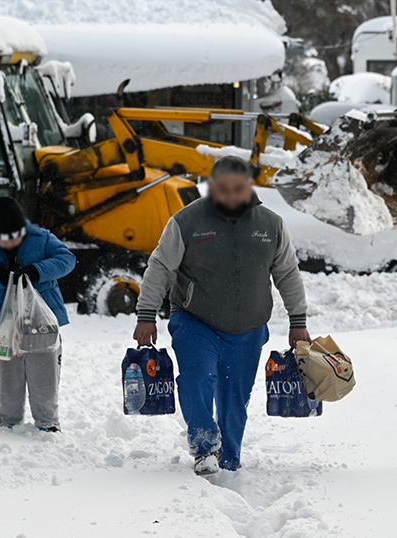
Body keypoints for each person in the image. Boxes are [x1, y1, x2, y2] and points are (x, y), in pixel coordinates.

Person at [133, 155, 310, 475]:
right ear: (212, 186)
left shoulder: (270, 225)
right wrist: (146, 314)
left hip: (249, 327)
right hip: (195, 319)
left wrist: (298, 322)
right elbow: (160, 267)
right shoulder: (186, 222)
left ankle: (228, 459)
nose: (230, 195)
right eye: (223, 188)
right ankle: (204, 447)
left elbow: (287, 273)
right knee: (197, 378)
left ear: (248, 187)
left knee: (235, 399)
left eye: (237, 189)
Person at [0, 197, 76, 432]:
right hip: (2, 327)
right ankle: (8, 424)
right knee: (8, 382)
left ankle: (48, 426)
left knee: (44, 378)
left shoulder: (42, 238)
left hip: (41, 324)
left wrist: (37, 271)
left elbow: (67, 259)